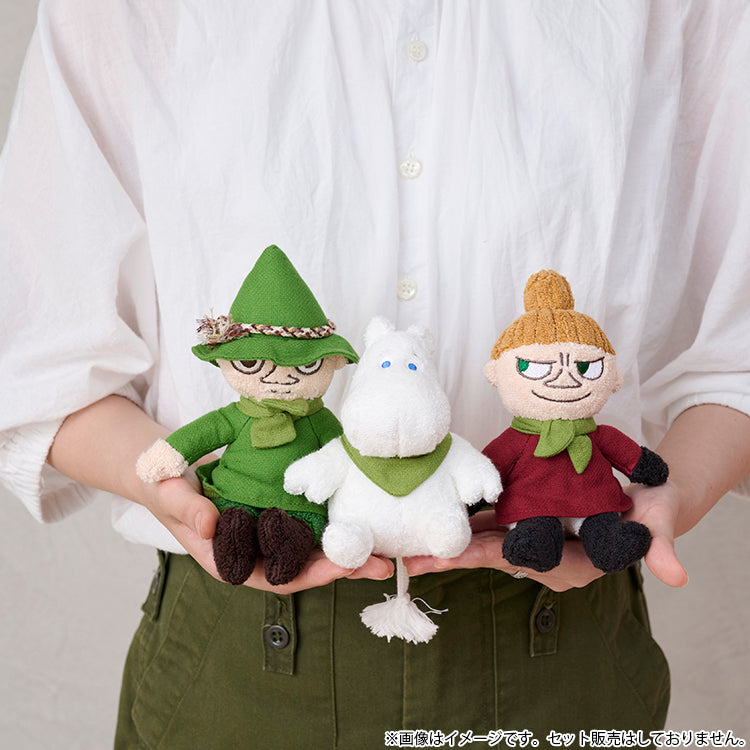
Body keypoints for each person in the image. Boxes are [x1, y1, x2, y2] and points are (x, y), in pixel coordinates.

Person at [1, 2, 749, 748]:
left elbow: (736, 354)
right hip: (242, 638)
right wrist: (167, 488)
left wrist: (668, 492)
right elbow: (44, 357)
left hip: (561, 630)